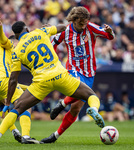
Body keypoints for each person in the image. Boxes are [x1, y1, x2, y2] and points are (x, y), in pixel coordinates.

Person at [0, 17, 105, 144]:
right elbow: (63, 27)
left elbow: (13, 79)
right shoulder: (40, 31)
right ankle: (94, 109)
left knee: (18, 107)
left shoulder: (16, 50)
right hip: (59, 74)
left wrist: (7, 102)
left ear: (15, 35)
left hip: (41, 81)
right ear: (27, 29)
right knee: (90, 94)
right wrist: (48, 27)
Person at [41, 6, 114, 143]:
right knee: (77, 88)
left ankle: (55, 135)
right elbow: (53, 43)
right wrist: (52, 59)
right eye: (81, 23)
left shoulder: (90, 27)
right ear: (74, 20)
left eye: (85, 23)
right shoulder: (66, 30)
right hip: (73, 69)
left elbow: (108, 36)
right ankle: (63, 104)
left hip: (89, 72)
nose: (83, 26)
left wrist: (110, 32)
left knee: (75, 109)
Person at [0, 16, 39, 146]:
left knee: (2, 105)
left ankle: (14, 131)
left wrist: (27, 87)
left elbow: (13, 83)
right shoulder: (9, 44)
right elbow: (3, 39)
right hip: (2, 81)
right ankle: (26, 136)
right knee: (26, 104)